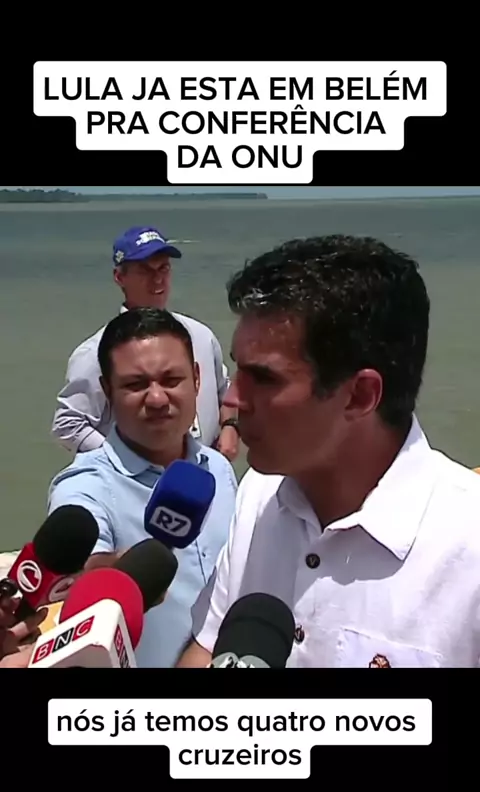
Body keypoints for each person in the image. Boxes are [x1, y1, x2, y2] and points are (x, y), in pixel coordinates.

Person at [177, 234, 480, 668]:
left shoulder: (469, 547)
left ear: (360, 395)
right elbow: (207, 647)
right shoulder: (259, 494)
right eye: (237, 370)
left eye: (264, 378)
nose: (232, 399)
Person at [47, 307, 237, 667]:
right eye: (136, 385)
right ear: (107, 390)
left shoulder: (219, 469)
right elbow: (82, 574)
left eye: (171, 380)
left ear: (197, 379)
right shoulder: (85, 486)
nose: (157, 398)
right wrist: (121, 573)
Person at [51, 225, 239, 461]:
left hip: (204, 472)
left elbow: (225, 391)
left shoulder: (201, 336)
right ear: (120, 277)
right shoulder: (96, 352)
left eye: (163, 268)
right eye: (144, 270)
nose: (157, 279)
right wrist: (127, 463)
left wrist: (231, 428)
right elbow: (68, 424)